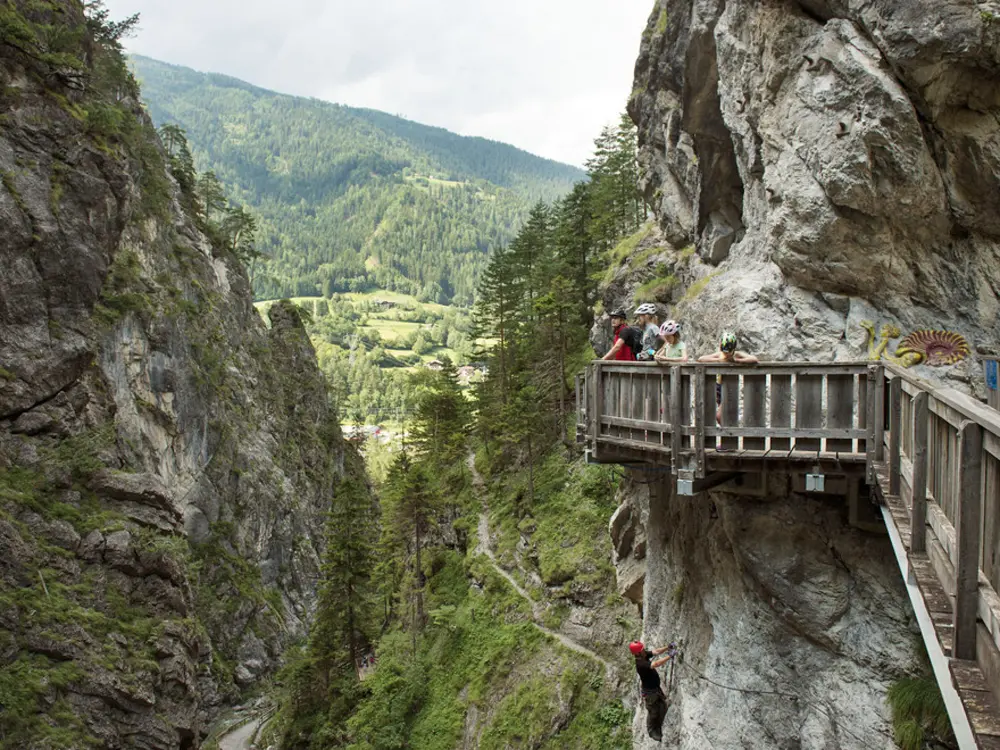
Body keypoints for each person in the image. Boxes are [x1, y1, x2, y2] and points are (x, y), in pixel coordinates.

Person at [697, 331, 758, 426]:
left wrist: (737, 361)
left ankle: (729, 431)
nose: (726, 354)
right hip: (718, 387)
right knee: (720, 414)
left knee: (719, 416)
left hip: (730, 388)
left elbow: (754, 359)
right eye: (724, 352)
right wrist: (719, 360)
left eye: (728, 352)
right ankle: (728, 430)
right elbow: (701, 359)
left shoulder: (736, 354)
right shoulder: (720, 354)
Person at [629, 640, 674, 742]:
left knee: (662, 707)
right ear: (637, 653)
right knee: (653, 712)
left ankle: (658, 726)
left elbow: (656, 652)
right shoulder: (640, 664)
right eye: (641, 649)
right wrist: (670, 656)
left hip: (655, 689)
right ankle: (651, 730)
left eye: (643, 649)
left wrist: (667, 647)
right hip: (650, 693)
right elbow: (656, 663)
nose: (644, 650)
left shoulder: (643, 655)